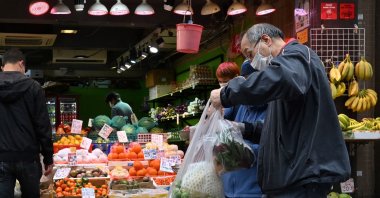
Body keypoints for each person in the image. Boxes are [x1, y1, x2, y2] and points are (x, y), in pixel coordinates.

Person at [210, 23, 351, 197]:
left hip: (302, 178)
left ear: (266, 40)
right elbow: (283, 128)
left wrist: (227, 93)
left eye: (250, 54)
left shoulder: (297, 55)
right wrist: (246, 129)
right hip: (292, 178)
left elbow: (284, 79)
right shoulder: (285, 70)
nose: (252, 63)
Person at [0, 48, 53, 197]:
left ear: (3, 67)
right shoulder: (34, 87)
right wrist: (48, 157)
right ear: (21, 64)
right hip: (28, 157)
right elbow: (42, 125)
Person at [222, 60, 267, 198]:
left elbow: (271, 147)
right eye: (245, 82)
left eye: (251, 82)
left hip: (254, 191)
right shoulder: (240, 106)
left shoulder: (274, 107)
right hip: (230, 189)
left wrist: (242, 150)